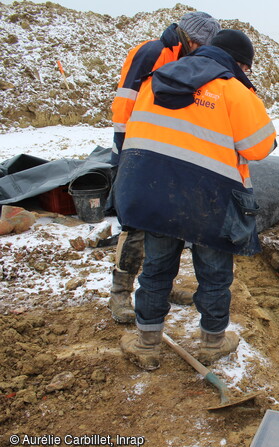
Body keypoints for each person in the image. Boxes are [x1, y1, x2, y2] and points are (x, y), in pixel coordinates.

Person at [114, 29, 277, 370]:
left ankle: (147, 344)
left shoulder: (154, 79)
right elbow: (259, 147)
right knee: (215, 274)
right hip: (209, 198)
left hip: (154, 191)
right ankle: (213, 342)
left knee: (156, 270)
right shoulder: (233, 88)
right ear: (240, 64)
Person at [108, 12, 221, 324]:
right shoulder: (156, 52)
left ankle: (157, 286)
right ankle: (119, 292)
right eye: (202, 46)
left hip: (164, 153)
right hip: (139, 150)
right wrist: (126, 150)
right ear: (192, 39)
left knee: (164, 220)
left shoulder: (181, 57)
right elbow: (126, 102)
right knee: (134, 224)